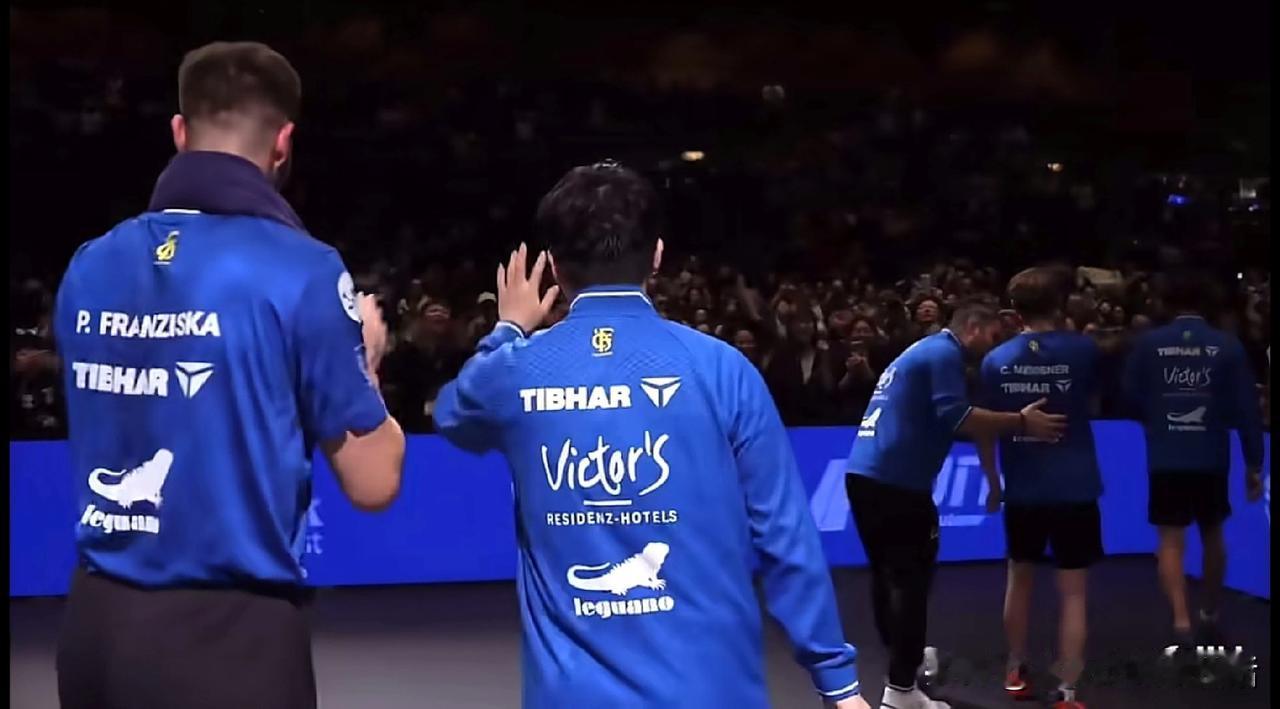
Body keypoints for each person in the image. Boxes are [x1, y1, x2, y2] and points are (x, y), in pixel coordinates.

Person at [434, 161, 869, 709]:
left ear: (555, 268)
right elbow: (785, 534)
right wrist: (838, 682)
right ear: (658, 255)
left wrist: (507, 331)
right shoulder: (722, 369)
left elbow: (452, 414)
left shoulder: (513, 371)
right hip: (715, 692)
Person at [53, 42, 406, 709]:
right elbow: (373, 479)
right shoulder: (302, 269)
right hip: (229, 639)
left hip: (92, 629)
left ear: (179, 132)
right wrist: (367, 360)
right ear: (283, 143)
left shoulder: (90, 263)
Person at [844, 303, 1068, 709]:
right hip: (897, 483)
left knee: (888, 579)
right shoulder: (944, 353)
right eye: (993, 336)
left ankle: (904, 671)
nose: (994, 346)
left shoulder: (923, 351)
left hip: (864, 475)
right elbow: (958, 418)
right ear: (974, 327)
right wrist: (1021, 422)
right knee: (911, 586)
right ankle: (901, 692)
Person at [1122, 270, 1264, 661]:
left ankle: (1181, 620)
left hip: (1166, 454)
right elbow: (1247, 409)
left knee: (1170, 539)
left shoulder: (1149, 343)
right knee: (1213, 533)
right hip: (1210, 455)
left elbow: (1129, 394)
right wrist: (1254, 462)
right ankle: (1210, 612)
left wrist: (1157, 418)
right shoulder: (1227, 345)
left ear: (1167, 303)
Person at [978, 268, 1103, 709]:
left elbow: (985, 427)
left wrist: (994, 482)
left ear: (1014, 311)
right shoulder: (1084, 350)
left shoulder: (995, 360)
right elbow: (1095, 401)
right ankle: (1067, 690)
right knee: (1073, 593)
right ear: (1060, 304)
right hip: (1075, 488)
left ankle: (1015, 670)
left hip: (1024, 490)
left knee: (1020, 579)